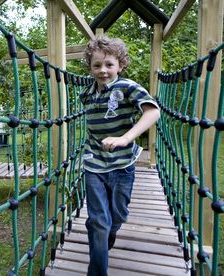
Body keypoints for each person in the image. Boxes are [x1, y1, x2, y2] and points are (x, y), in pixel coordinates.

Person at [79, 35, 160, 276]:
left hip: (123, 164)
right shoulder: (88, 93)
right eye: (96, 65)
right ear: (90, 67)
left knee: (118, 215)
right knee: (99, 221)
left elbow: (152, 112)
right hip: (93, 163)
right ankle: (97, 262)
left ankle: (104, 233)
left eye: (109, 65)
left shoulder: (128, 87)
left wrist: (125, 138)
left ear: (120, 65)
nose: (102, 70)